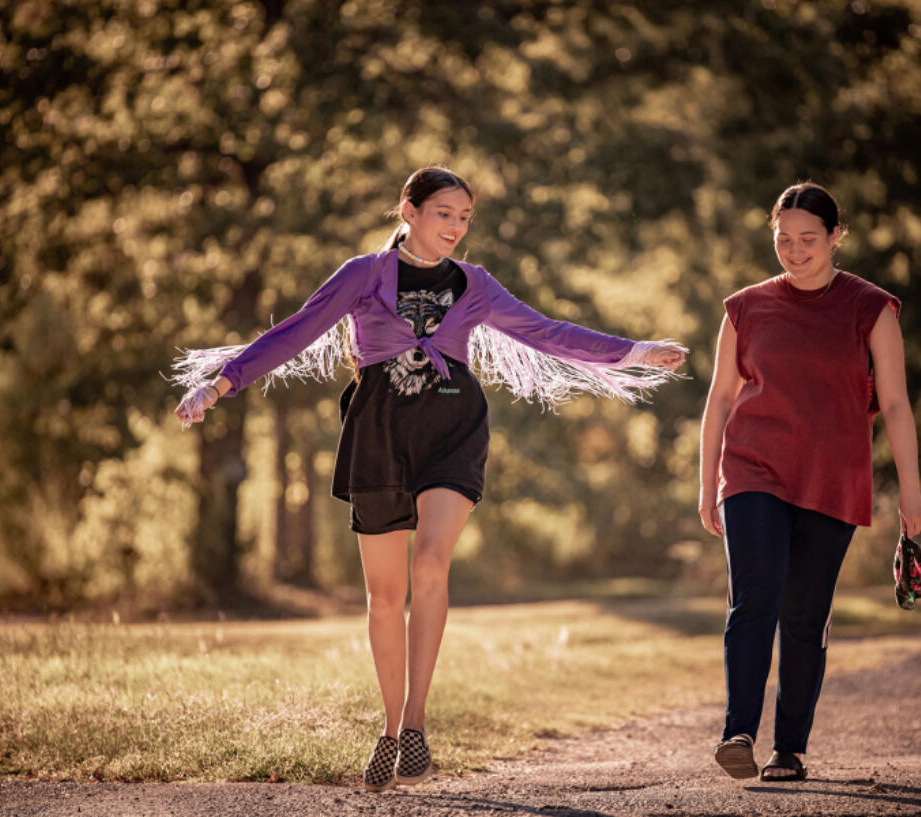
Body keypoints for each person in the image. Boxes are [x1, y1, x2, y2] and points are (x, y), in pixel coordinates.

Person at [173, 166, 686, 792]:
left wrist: (633, 351)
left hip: (453, 430)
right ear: (408, 211)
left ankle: (416, 721)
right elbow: (295, 331)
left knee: (430, 566)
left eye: (465, 217)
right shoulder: (364, 274)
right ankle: (391, 731)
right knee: (385, 596)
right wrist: (221, 382)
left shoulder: (476, 284)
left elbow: (548, 332)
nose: (457, 226)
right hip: (378, 434)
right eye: (445, 213)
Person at [697, 182, 921, 783]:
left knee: (804, 614)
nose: (794, 251)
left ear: (835, 237)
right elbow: (720, 399)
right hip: (752, 469)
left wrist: (911, 489)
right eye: (783, 239)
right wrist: (706, 484)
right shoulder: (744, 307)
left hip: (833, 476)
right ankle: (738, 732)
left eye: (807, 240)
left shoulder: (870, 307)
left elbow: (897, 405)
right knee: (754, 599)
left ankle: (789, 747)